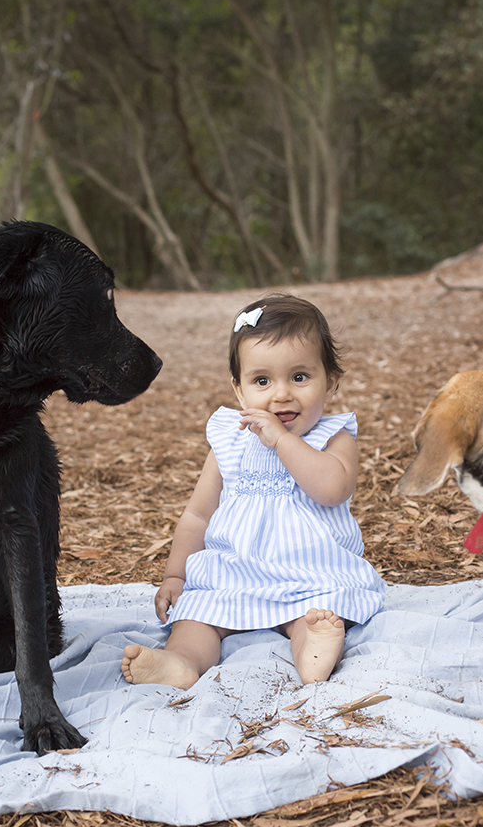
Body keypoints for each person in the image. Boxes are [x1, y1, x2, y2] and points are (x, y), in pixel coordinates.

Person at [121, 293, 386, 689]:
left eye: (299, 377)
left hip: (309, 575)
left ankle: (313, 650)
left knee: (315, 615)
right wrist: (176, 575)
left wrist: (281, 440)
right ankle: (181, 663)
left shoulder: (333, 436)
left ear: (330, 381)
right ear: (239, 390)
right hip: (235, 574)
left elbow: (332, 489)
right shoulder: (230, 440)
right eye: (262, 381)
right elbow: (198, 515)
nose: (281, 394)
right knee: (198, 618)